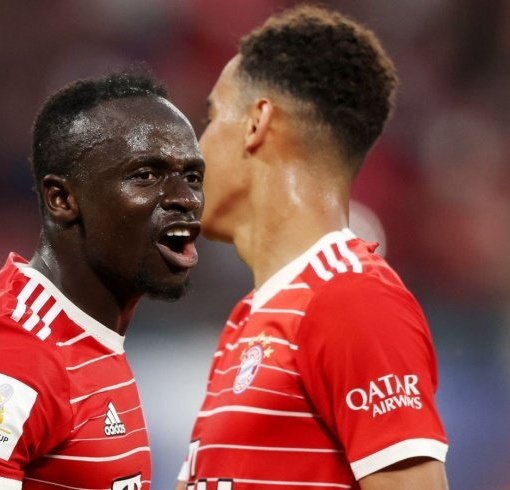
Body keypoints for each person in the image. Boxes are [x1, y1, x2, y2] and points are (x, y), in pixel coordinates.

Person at [176, 5, 448, 490]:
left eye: (211, 116)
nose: (196, 147)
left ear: (257, 122)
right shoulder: (248, 320)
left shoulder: (352, 299)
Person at [0, 70, 205, 490]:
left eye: (192, 177)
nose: (184, 198)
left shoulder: (83, 336)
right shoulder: (13, 349)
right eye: (146, 176)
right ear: (62, 199)